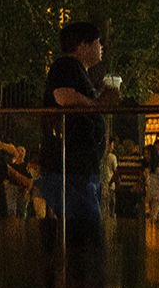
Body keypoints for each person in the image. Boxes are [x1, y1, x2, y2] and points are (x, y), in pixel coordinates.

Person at [41, 21, 119, 221]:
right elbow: (63, 96)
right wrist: (97, 104)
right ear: (83, 45)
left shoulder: (77, 70)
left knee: (84, 228)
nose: (101, 47)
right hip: (70, 169)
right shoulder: (65, 65)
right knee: (84, 229)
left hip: (80, 168)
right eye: (98, 42)